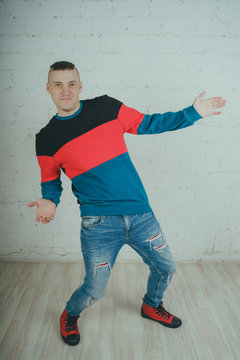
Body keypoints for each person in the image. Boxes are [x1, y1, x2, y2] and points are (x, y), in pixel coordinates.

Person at [28, 61, 226, 346]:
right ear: (48, 88)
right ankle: (70, 314)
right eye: (58, 84)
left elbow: (149, 124)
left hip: (141, 214)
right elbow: (50, 180)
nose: (66, 90)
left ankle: (151, 305)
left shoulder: (106, 107)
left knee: (166, 268)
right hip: (98, 224)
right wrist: (49, 201)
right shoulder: (46, 139)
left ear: (80, 86)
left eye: (72, 83)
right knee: (95, 290)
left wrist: (192, 113)